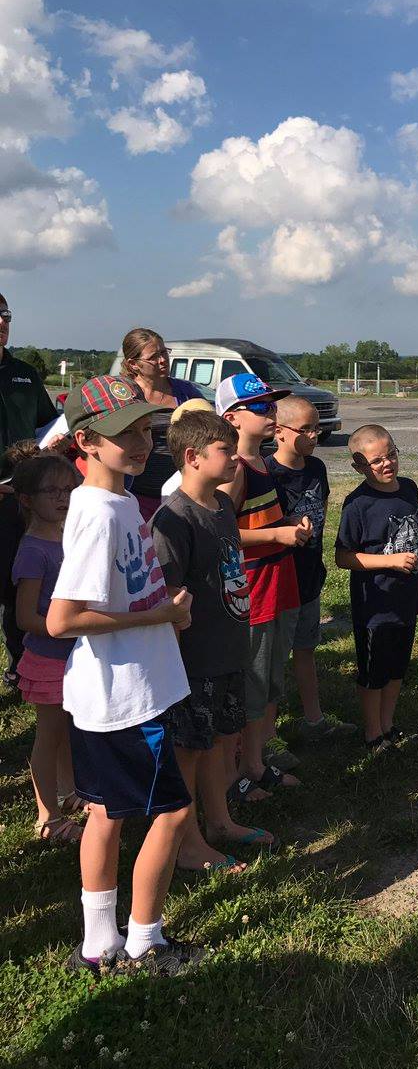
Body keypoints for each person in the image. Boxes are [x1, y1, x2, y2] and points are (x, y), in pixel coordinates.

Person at [47, 374, 202, 976]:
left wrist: (160, 612)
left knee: (105, 813)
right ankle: (145, 941)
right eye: (122, 434)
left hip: (114, 689)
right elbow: (63, 618)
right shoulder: (99, 514)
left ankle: (98, 943)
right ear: (86, 441)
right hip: (130, 695)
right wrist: (162, 613)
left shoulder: (114, 504)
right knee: (171, 813)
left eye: (144, 429)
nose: (140, 443)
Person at [152, 408, 278, 868]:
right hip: (194, 660)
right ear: (192, 456)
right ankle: (186, 844)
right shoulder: (174, 520)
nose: (235, 459)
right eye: (225, 450)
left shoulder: (223, 505)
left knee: (220, 742)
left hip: (229, 648)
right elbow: (169, 598)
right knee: (189, 751)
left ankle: (220, 821)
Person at [216, 373, 305, 801]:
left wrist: (284, 526)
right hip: (253, 590)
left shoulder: (260, 464)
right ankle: (240, 773)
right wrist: (275, 536)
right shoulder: (232, 469)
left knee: (268, 681)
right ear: (232, 417)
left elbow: (258, 522)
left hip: (277, 584)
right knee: (251, 684)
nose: (271, 413)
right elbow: (223, 534)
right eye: (261, 407)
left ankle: (255, 761)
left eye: (272, 405)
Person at [335, 424, 418, 752]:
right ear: (359, 467)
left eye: (391, 454)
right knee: (374, 672)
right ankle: (373, 732)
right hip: (374, 605)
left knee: (397, 668)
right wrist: (389, 563)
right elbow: (343, 557)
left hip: (406, 599)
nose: (388, 463)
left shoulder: (409, 489)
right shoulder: (357, 504)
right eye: (377, 461)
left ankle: (388, 723)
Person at [266, 396, 354, 738]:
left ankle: (314, 719)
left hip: (309, 576)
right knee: (273, 663)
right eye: (305, 429)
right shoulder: (266, 473)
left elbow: (323, 509)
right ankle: (267, 737)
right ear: (279, 431)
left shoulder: (316, 468)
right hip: (279, 582)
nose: (315, 436)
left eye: (316, 427)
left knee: (306, 649)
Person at [9, 444, 83, 843]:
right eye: (50, 492)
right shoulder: (33, 550)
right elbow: (24, 618)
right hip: (49, 659)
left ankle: (69, 792)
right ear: (26, 499)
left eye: (68, 489)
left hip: (74, 657)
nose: (61, 498)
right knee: (49, 735)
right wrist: (68, 628)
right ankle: (47, 817)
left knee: (70, 730)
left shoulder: (66, 538)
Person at [0, 294, 59, 684]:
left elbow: (46, 425)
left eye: (5, 315)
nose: (2, 322)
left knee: (18, 584)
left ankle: (23, 668)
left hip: (18, 500)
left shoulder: (24, 373)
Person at [119, 328, 202, 522]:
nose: (163, 360)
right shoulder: (123, 394)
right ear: (134, 364)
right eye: (154, 356)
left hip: (181, 494)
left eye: (164, 352)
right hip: (135, 493)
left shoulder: (185, 392)